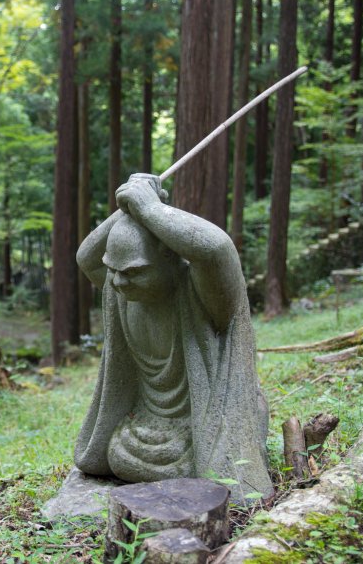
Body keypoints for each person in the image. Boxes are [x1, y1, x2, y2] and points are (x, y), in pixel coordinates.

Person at [74, 174, 273, 502]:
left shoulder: (202, 296)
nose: (120, 284)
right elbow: (86, 258)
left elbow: (216, 249)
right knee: (103, 456)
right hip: (146, 426)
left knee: (212, 468)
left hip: (198, 425)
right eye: (115, 272)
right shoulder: (122, 294)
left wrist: (151, 209)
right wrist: (127, 206)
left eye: (135, 272)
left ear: (170, 259)